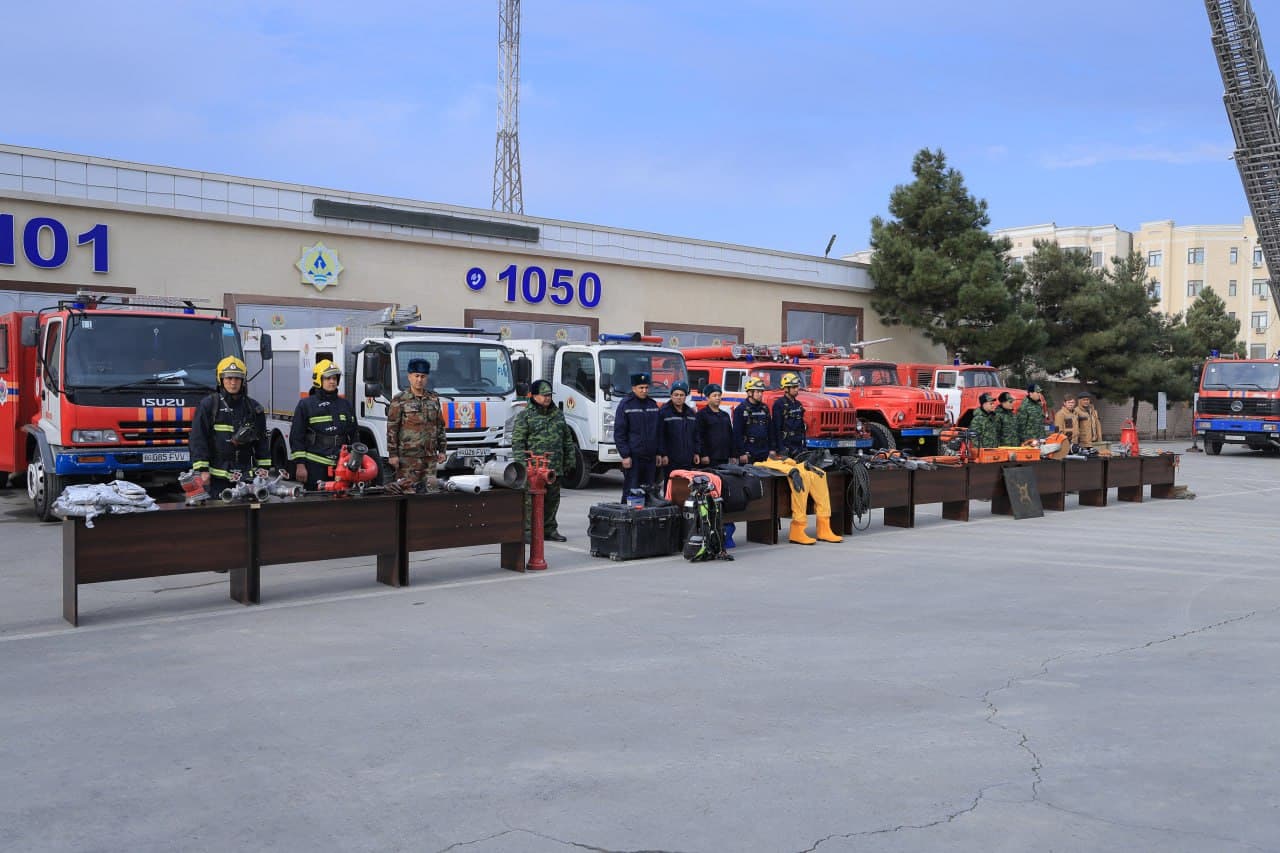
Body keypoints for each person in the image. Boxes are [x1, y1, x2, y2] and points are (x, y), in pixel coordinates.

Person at [190, 356, 271, 497]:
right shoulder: (208, 405)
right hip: (217, 477)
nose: (233, 383)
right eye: (228, 378)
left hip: (247, 476)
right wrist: (202, 470)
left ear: (243, 380)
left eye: (237, 378)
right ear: (220, 379)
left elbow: (262, 441)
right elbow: (198, 439)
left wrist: (264, 468)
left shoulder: (254, 408)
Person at [510, 379, 575, 543]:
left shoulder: (557, 414)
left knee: (553, 499)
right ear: (534, 396)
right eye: (543, 395)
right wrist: (521, 466)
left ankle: (549, 529)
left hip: (554, 466)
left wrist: (570, 460)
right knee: (529, 501)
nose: (547, 398)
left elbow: (567, 439)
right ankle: (527, 531)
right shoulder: (525, 416)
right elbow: (518, 442)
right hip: (533, 469)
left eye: (549, 395)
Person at [289, 359, 359, 488]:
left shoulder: (346, 405)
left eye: (334, 378)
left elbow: (354, 434)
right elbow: (296, 436)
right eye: (327, 378)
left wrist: (355, 461)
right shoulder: (306, 405)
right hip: (314, 464)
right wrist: (300, 465)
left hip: (341, 464)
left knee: (342, 503)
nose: (332, 381)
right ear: (318, 380)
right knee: (315, 504)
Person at [387, 358, 447, 486]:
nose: (419, 380)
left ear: (427, 378)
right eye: (416, 376)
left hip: (429, 457)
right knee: (408, 490)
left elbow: (440, 426)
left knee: (430, 490)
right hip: (408, 458)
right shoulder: (400, 400)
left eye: (423, 376)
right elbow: (392, 428)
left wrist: (442, 450)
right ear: (409, 377)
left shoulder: (433, 398)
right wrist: (393, 454)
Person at [614, 372, 661, 500]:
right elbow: (619, 433)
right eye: (641, 388)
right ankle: (627, 517)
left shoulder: (652, 405)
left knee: (648, 490)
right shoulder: (626, 405)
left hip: (650, 457)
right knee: (631, 489)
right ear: (633, 388)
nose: (644, 390)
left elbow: (658, 431)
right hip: (634, 457)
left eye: (646, 387)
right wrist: (625, 455)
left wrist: (658, 453)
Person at [657, 381, 698, 472]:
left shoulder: (691, 413)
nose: (679, 397)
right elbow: (660, 436)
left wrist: (696, 452)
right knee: (670, 484)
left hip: (688, 458)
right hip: (670, 459)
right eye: (676, 395)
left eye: (681, 395)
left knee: (686, 484)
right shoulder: (664, 413)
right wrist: (663, 454)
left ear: (685, 397)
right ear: (671, 396)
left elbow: (696, 435)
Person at [733, 377, 775, 463]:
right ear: (750, 393)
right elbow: (737, 434)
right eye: (757, 392)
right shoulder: (741, 409)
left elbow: (770, 429)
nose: (760, 394)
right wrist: (741, 453)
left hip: (764, 450)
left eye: (761, 392)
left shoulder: (764, 408)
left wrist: (772, 448)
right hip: (749, 450)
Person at [694, 383, 734, 465]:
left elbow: (730, 436)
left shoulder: (725, 415)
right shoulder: (701, 415)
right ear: (707, 398)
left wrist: (733, 454)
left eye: (719, 395)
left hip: (724, 457)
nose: (717, 398)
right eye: (714, 395)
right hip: (709, 458)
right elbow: (699, 436)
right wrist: (703, 454)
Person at [772, 372, 808, 459]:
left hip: (798, 445)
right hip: (786, 446)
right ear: (786, 389)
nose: (797, 389)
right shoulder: (779, 404)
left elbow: (802, 427)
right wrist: (780, 448)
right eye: (794, 387)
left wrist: (804, 445)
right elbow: (776, 428)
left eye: (797, 386)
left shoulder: (798, 404)